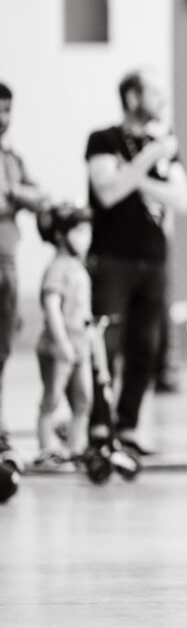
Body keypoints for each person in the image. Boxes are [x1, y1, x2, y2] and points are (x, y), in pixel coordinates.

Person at [86, 70, 187, 457]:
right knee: (105, 347)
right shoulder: (104, 140)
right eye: (154, 93)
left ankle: (127, 428)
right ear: (132, 98)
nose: (161, 100)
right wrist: (148, 160)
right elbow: (108, 192)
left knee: (145, 349)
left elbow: (182, 200)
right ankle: (99, 430)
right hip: (113, 258)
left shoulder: (164, 147)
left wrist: (137, 176)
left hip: (154, 261)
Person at [0, 82, 50, 472]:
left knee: (2, 347)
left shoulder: (12, 158)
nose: (4, 119)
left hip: (8, 260)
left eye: (7, 111)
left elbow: (36, 196)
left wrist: (17, 192)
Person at [32, 204, 93, 471]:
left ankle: (76, 448)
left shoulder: (78, 267)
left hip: (80, 347)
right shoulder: (57, 268)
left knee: (83, 399)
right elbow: (52, 308)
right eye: (79, 231)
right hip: (58, 349)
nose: (86, 238)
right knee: (52, 398)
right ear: (60, 235)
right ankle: (46, 450)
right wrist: (63, 342)